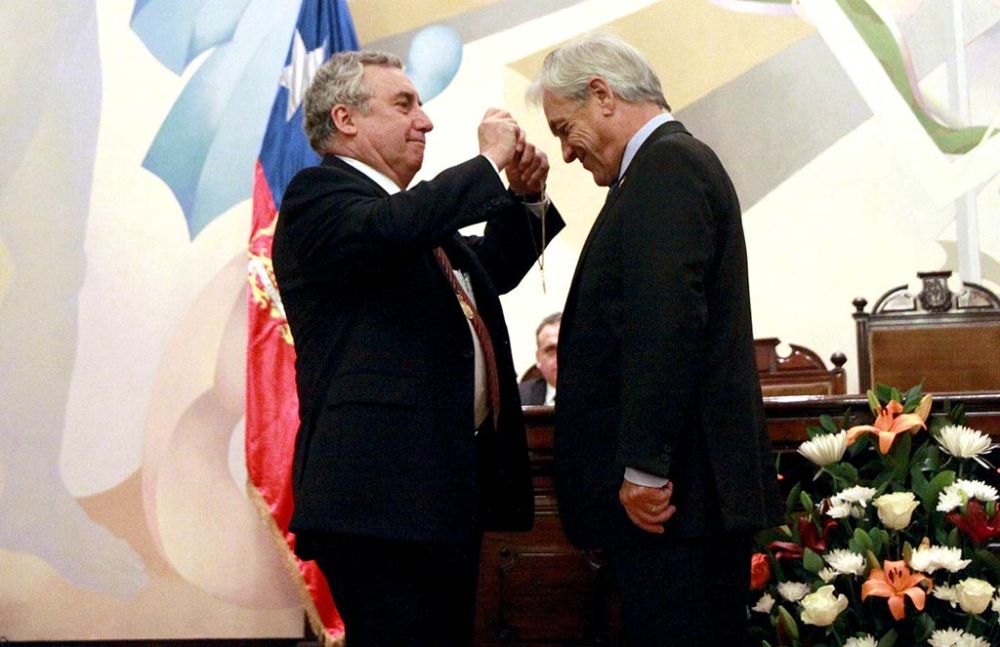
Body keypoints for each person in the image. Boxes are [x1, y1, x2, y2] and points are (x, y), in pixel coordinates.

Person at [273, 50, 563, 647]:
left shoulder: (420, 225)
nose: (425, 122)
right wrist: (485, 162)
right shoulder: (318, 195)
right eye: (404, 104)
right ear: (345, 119)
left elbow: (488, 270)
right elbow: (392, 228)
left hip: (437, 492)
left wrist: (525, 198)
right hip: (378, 498)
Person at [528, 34, 781, 646]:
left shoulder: (667, 167)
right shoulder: (658, 170)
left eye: (566, 128)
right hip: (681, 497)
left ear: (602, 95)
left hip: (676, 499)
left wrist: (643, 470)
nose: (564, 154)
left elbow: (665, 328)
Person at [518, 311, 561, 405]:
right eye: (550, 350)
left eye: (566, 349)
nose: (560, 357)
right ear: (538, 358)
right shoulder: (518, 397)